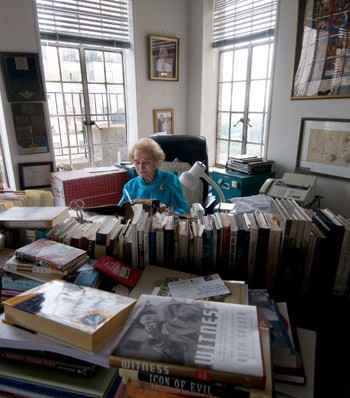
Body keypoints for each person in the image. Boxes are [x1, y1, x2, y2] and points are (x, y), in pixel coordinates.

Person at [118, 137, 189, 214]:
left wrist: (166, 212)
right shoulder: (130, 187)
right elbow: (120, 213)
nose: (141, 167)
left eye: (146, 162)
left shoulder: (170, 180)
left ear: (156, 162)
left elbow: (183, 211)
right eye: (137, 162)